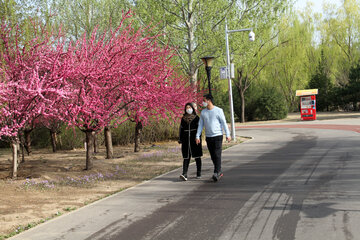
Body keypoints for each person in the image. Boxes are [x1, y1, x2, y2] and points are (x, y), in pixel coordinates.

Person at [196, 94, 231, 182]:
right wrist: (197, 136)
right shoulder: (203, 112)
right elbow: (200, 125)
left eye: (204, 100)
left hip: (218, 136)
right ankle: (219, 170)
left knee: (217, 154)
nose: (202, 102)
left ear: (209, 100)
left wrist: (227, 134)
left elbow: (224, 123)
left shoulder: (218, 110)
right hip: (209, 137)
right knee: (212, 156)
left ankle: (216, 172)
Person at [178, 102, 203, 181]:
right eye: (187, 108)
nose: (188, 109)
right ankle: (184, 173)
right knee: (186, 157)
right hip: (186, 140)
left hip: (194, 139)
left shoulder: (196, 118)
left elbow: (200, 129)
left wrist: (198, 137)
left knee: (197, 157)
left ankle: (198, 172)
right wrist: (180, 138)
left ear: (192, 108)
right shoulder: (183, 118)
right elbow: (181, 129)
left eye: (190, 107)